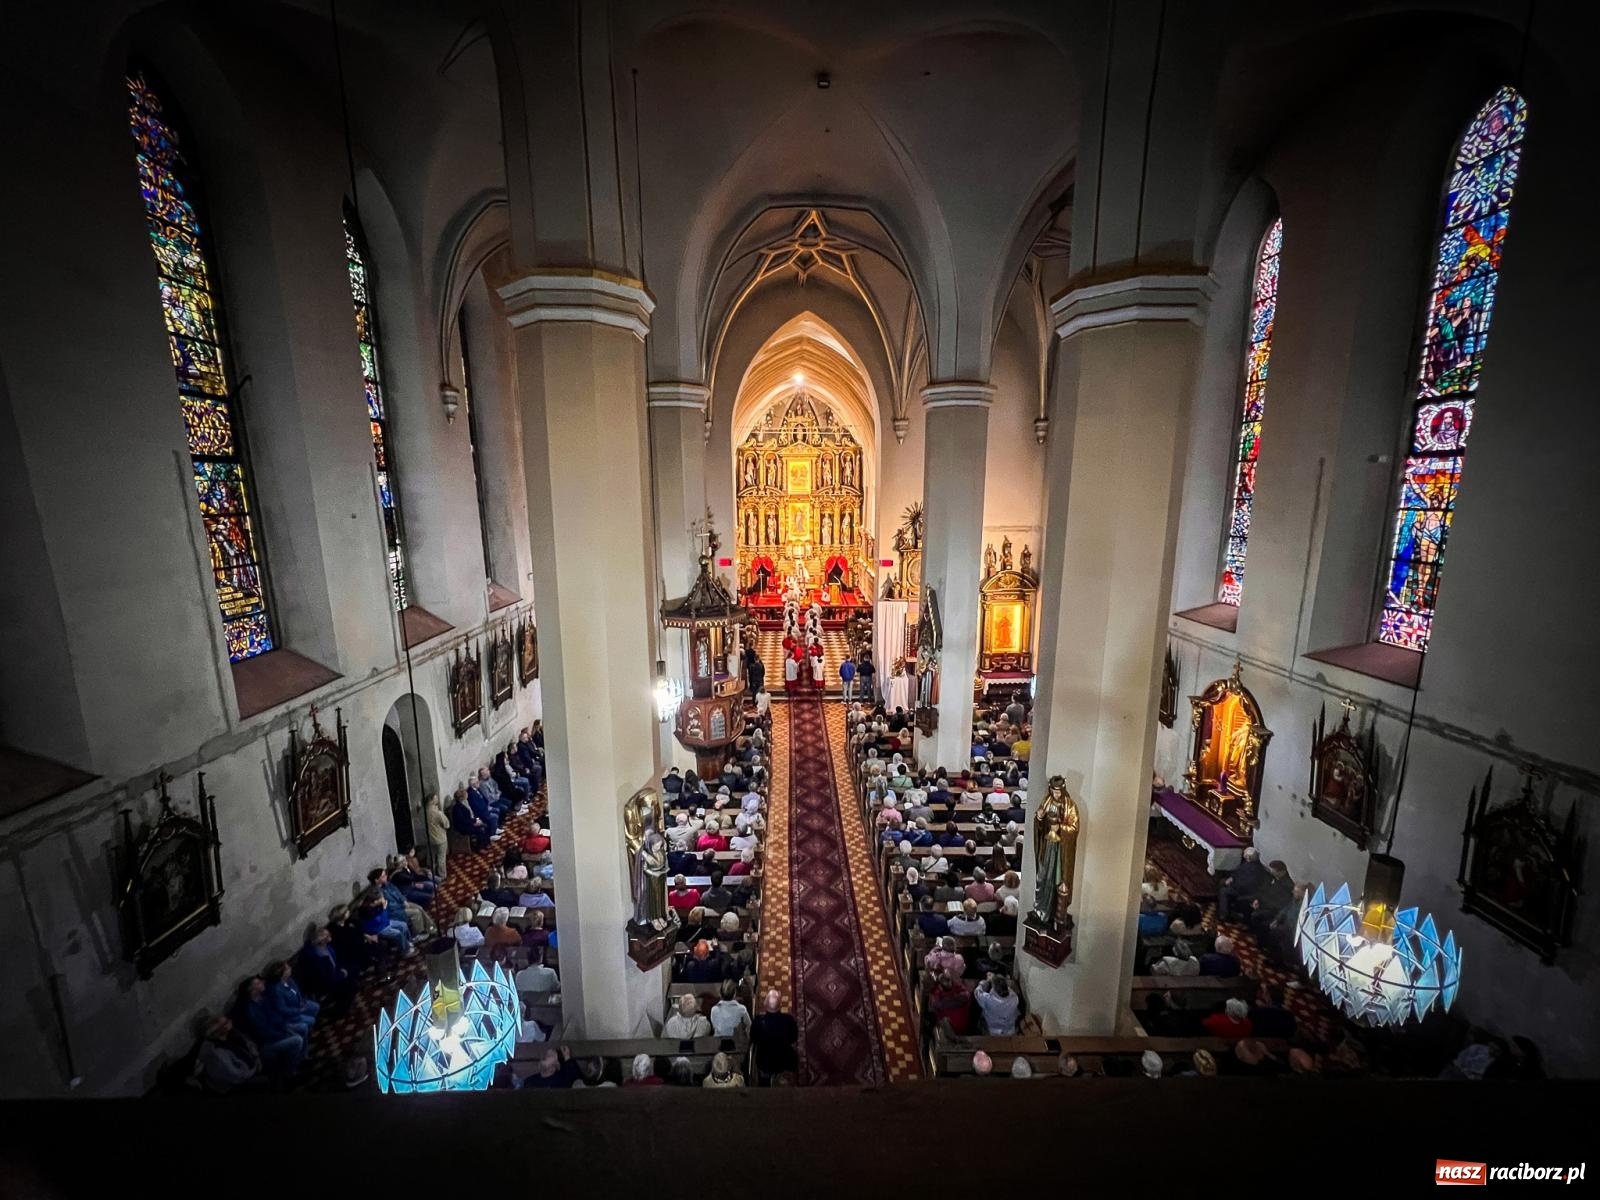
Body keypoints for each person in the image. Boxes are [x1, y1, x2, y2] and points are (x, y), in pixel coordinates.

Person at [234, 976, 306, 1080]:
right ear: (251, 990)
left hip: (277, 1031)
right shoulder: (251, 1010)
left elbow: (275, 1017)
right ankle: (290, 1071)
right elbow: (264, 1032)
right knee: (297, 1040)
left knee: (302, 1029)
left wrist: (285, 1026)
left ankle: (301, 1058)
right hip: (266, 1043)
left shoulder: (262, 999)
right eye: (258, 983)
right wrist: (284, 1034)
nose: (262, 982)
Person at [194, 1016, 268, 1094]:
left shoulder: (231, 1034)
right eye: (226, 1023)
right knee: (265, 1081)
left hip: (250, 1067)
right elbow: (235, 1075)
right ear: (218, 1031)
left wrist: (256, 1058)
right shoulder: (217, 1052)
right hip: (235, 1083)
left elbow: (248, 1043)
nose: (230, 1021)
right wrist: (254, 1070)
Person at [295, 925, 356, 1013]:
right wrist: (341, 975)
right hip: (325, 982)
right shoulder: (314, 956)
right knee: (348, 986)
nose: (329, 937)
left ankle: (344, 1003)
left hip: (335, 974)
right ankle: (339, 1010)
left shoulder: (328, 947)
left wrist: (341, 969)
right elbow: (324, 976)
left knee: (352, 975)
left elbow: (335, 961)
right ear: (320, 940)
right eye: (326, 936)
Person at [751, 989, 798, 1079]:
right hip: (785, 1059)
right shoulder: (789, 1020)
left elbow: (754, 1040)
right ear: (780, 1005)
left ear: (765, 1004)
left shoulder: (757, 1022)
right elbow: (793, 1038)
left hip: (764, 1061)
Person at [266, 959, 319, 1038]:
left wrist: (301, 1001)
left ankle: (310, 1028)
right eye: (287, 968)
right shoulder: (277, 991)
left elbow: (297, 992)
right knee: (311, 1020)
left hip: (299, 1004)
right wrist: (298, 1010)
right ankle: (307, 1032)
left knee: (315, 1007)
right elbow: (283, 1009)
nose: (290, 968)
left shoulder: (289, 980)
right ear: (282, 974)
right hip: (290, 1015)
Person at [1216, 846, 1269, 921]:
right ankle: (1222, 906)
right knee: (1222, 882)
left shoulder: (1253, 869)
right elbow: (1238, 872)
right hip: (1239, 886)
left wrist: (1232, 883)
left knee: (1223, 891)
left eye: (1245, 854)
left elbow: (1246, 883)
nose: (1244, 855)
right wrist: (1232, 878)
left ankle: (1223, 914)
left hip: (1244, 891)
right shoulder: (1251, 864)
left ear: (1248, 857)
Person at [423, 794, 451, 879]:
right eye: (436, 798)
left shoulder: (424, 811)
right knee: (441, 858)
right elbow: (447, 824)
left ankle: (432, 874)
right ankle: (442, 875)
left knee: (431, 857)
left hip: (429, 838)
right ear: (432, 801)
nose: (437, 799)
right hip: (440, 838)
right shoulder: (437, 813)